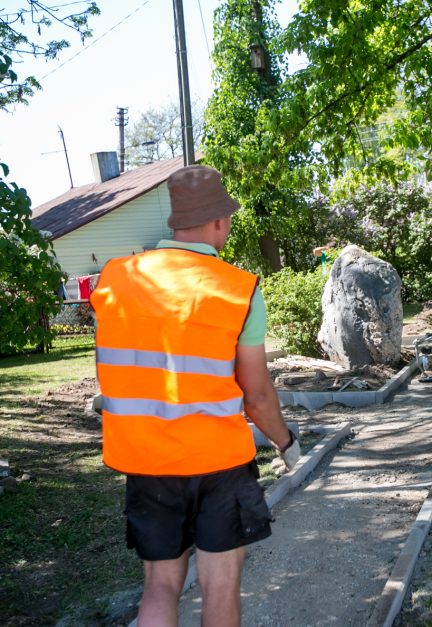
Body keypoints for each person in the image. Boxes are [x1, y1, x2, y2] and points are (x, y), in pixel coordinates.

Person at [90, 165, 300, 627]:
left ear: (175, 223)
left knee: (160, 587)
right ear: (219, 222)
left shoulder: (117, 278)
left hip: (148, 461)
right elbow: (258, 396)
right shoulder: (237, 288)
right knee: (219, 587)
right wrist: (286, 443)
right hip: (218, 464)